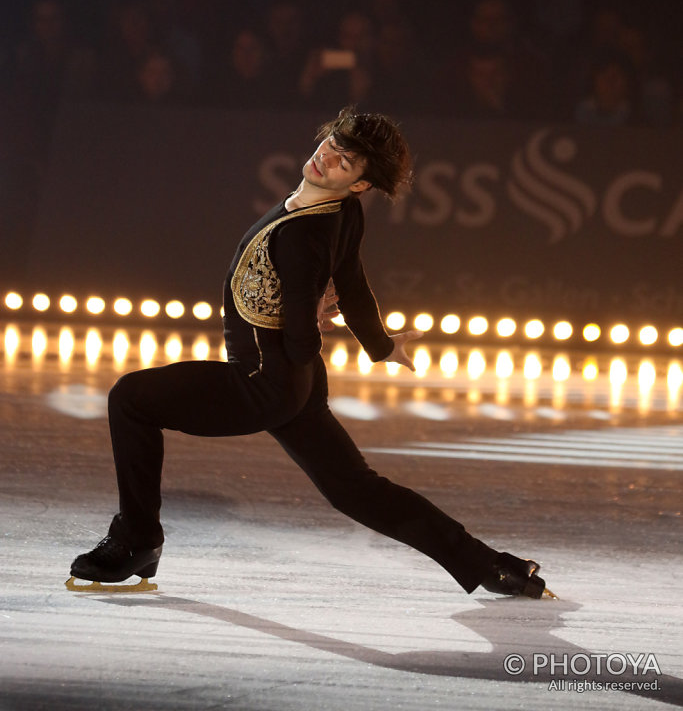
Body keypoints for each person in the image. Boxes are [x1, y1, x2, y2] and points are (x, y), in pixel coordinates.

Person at [69, 108, 552, 600]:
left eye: (346, 162)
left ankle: (137, 540)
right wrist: (380, 344)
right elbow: (354, 282)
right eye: (333, 145)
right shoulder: (339, 212)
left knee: (130, 398)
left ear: (361, 184)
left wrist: (302, 316)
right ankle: (490, 564)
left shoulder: (305, 233)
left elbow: (307, 328)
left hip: (263, 382)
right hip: (294, 382)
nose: (328, 158)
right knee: (356, 489)